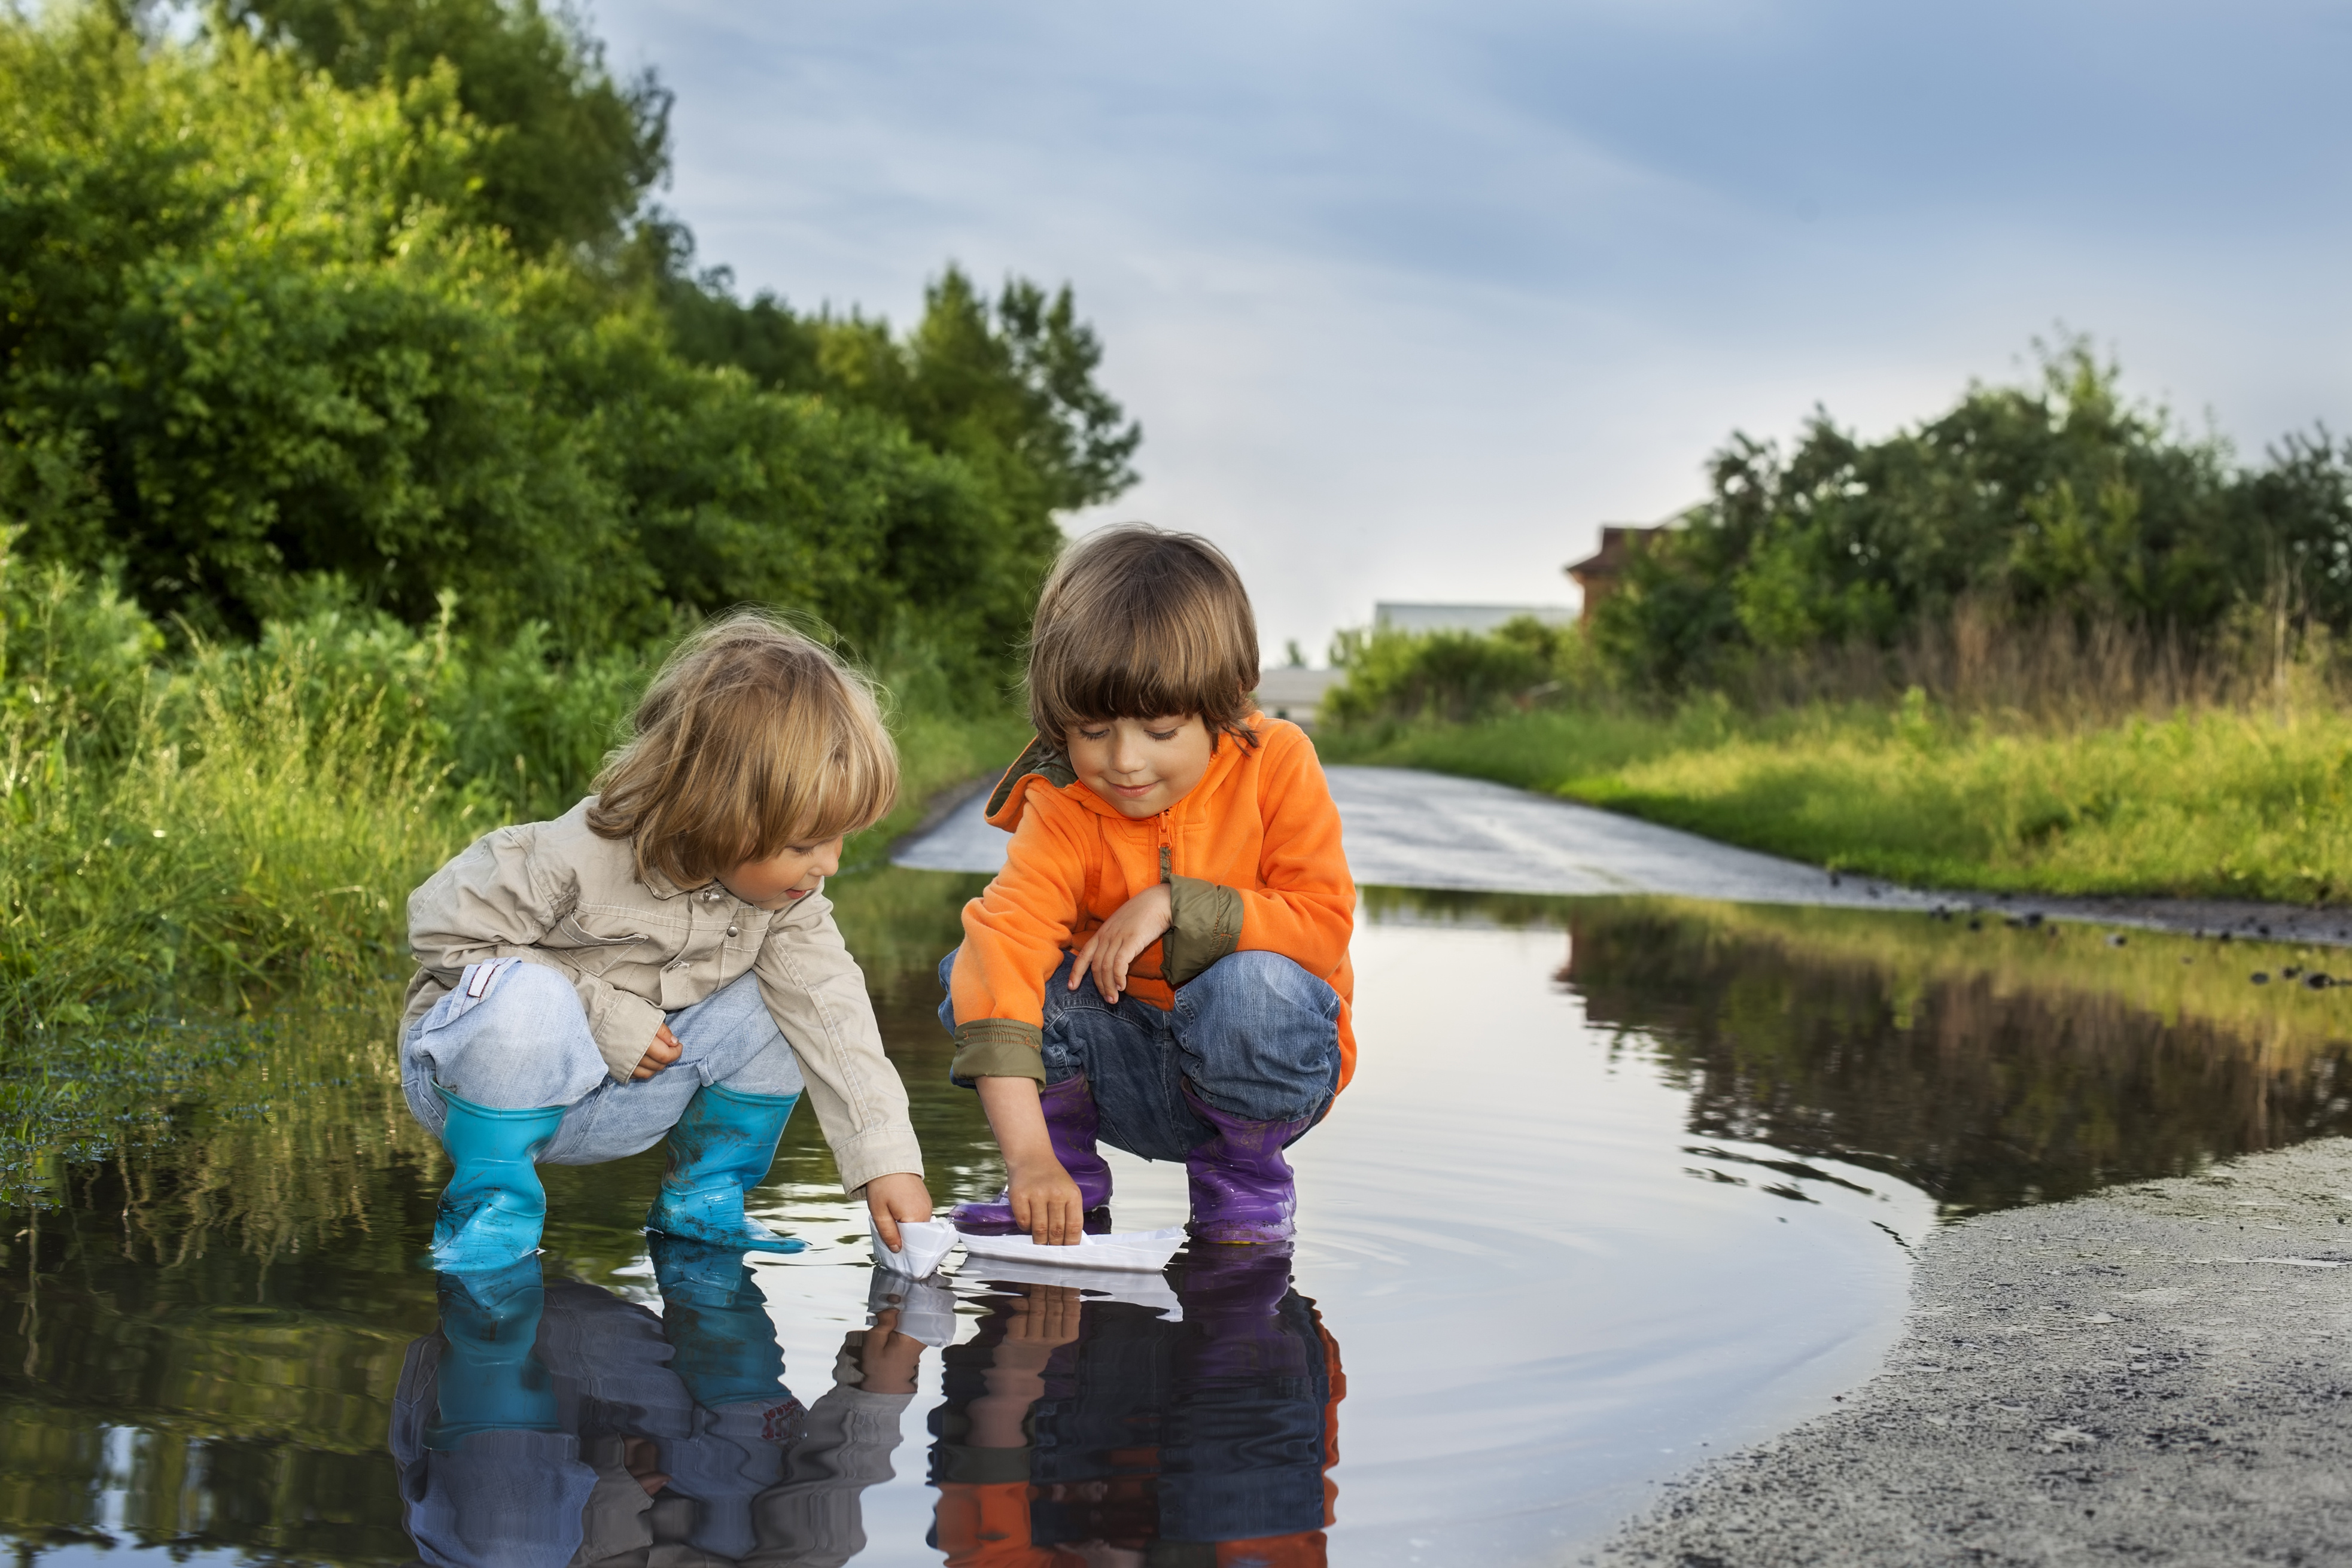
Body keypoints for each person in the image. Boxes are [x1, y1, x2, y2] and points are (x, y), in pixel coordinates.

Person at [400, 611, 934, 1269]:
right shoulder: (569, 857)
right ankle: (489, 1215)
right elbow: (438, 926)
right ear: (720, 810)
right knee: (527, 1001)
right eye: (804, 844)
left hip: (624, 1102)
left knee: (798, 1001)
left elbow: (836, 1015)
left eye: (839, 839)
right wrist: (601, 1014)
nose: (827, 863)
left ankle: (704, 1196)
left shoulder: (787, 901)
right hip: (476, 1093)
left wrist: (886, 1161)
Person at [939, 525, 1356, 1246]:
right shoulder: (1063, 798)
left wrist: (1174, 905)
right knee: (974, 969)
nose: (1124, 761)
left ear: (1226, 700)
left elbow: (1322, 925)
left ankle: (1243, 1189)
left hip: (1256, 1071)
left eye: (1160, 730)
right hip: (1119, 1071)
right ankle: (1062, 1183)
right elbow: (1004, 947)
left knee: (1254, 986)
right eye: (1093, 730)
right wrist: (1028, 1158)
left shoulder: (1278, 761)